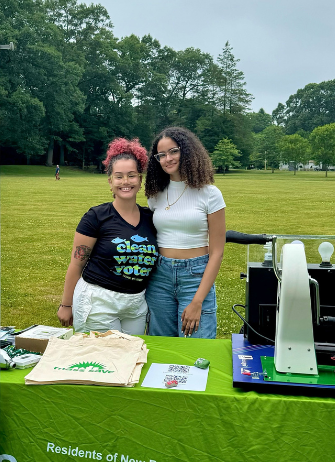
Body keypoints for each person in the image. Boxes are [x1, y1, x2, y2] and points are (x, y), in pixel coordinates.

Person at [57, 138, 157, 334]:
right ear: (110, 182)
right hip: (98, 301)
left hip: (135, 304)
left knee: (132, 357)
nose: (125, 182)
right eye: (119, 177)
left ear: (140, 179)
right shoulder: (96, 217)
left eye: (132, 175)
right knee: (102, 360)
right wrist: (66, 305)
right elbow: (76, 263)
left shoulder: (151, 219)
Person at [143, 126, 226, 338]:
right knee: (161, 347)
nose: (167, 158)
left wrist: (197, 301)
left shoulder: (210, 194)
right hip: (159, 277)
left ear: (187, 151)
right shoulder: (155, 195)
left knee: (198, 350)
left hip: (196, 275)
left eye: (173, 151)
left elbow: (217, 252)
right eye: (161, 155)